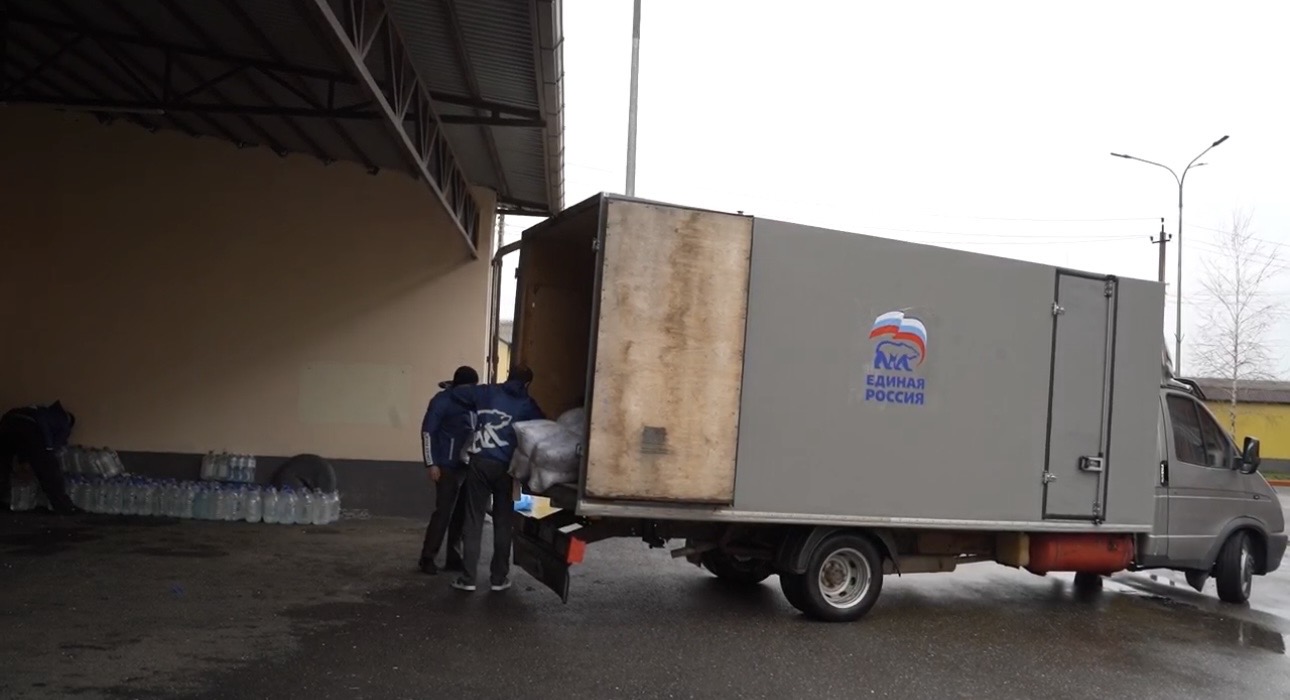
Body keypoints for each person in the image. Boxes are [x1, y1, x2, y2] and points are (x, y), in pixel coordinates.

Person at [451, 365, 545, 592]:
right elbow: (543, 428)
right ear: (527, 384)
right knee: (503, 522)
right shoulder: (527, 404)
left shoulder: (487, 392)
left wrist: (451, 388)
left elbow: (460, 394)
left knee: (473, 520)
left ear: (508, 376)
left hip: (479, 463)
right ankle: (498, 578)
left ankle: (468, 578)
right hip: (507, 468)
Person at [418, 365, 479, 574]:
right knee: (443, 513)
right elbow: (428, 432)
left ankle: (454, 557)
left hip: (467, 465)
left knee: (460, 514)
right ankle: (427, 557)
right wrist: (431, 463)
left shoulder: (474, 402)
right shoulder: (442, 401)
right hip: (446, 465)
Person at [0, 401, 83, 515]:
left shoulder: (38, 410)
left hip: (7, 421)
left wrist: (23, 460)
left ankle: (2, 498)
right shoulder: (63, 421)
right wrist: (48, 449)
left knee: (3, 463)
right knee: (49, 469)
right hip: (28, 426)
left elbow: (22, 443)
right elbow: (53, 444)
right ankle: (63, 506)